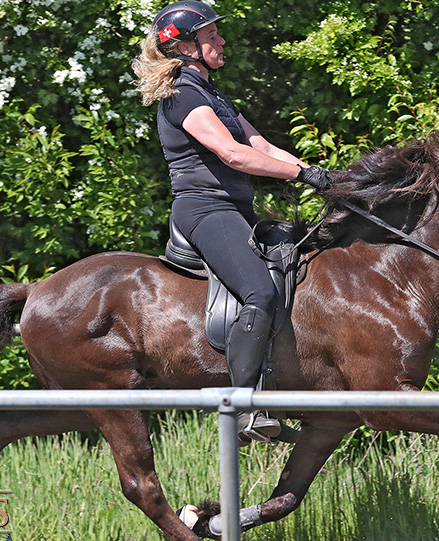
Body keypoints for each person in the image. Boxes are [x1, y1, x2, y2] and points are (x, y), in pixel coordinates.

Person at [132, 2, 330, 443]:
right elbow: (233, 153)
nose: (221, 42)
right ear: (184, 47)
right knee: (258, 291)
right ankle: (244, 408)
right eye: (211, 36)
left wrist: (327, 179)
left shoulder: (214, 94)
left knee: (298, 258)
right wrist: (301, 175)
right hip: (206, 210)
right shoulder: (182, 94)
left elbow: (261, 143)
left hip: (237, 209)